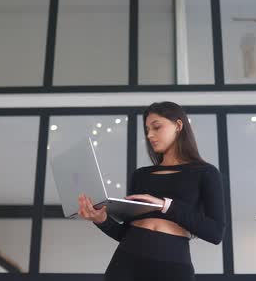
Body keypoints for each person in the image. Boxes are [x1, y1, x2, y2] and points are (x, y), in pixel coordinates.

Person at [77, 101, 226, 280]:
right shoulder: (140, 175)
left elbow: (215, 233)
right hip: (126, 260)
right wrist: (101, 220)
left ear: (178, 125)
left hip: (172, 265)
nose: (150, 135)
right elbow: (125, 233)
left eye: (156, 127)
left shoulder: (205, 172)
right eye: (147, 130)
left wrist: (165, 205)